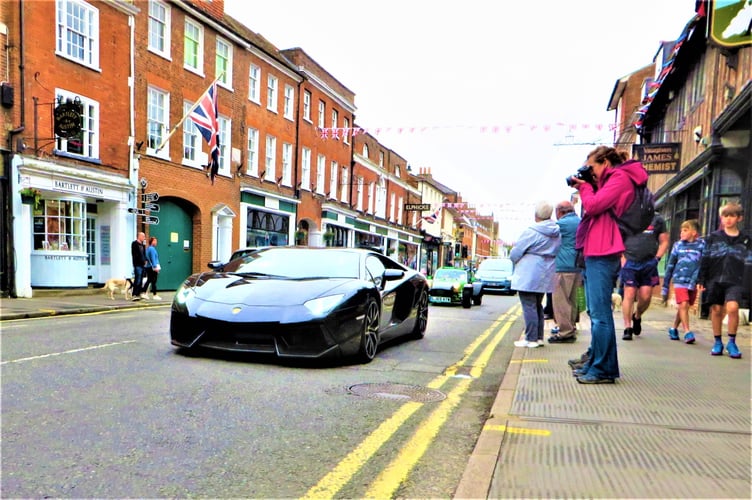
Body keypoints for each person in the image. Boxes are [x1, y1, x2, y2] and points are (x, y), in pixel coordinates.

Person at [569, 146, 649, 384]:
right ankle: (596, 362)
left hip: (604, 250)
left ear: (604, 162)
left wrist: (584, 187)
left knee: (601, 314)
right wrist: (589, 185)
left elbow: (594, 206)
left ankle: (603, 369)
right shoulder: (612, 180)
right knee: (596, 312)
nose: (589, 171)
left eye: (592, 166)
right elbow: (598, 205)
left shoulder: (619, 178)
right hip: (598, 248)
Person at [697, 201, 752, 359]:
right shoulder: (714, 237)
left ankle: (732, 341)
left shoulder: (745, 239)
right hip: (714, 278)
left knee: (733, 307)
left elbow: (749, 261)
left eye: (732, 216)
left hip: (736, 279)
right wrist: (701, 279)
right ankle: (717, 341)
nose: (728, 219)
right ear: (721, 218)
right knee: (716, 310)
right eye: (725, 216)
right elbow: (705, 258)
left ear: (739, 218)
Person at [510, 201, 561, 348]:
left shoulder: (531, 231)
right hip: (547, 270)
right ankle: (538, 337)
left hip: (529, 272)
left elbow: (516, 252)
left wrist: (514, 260)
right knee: (538, 304)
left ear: (536, 215)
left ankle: (530, 338)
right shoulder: (556, 232)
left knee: (529, 305)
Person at [620, 212, 670, 340]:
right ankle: (627, 327)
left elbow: (664, 241)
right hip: (630, 262)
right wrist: (623, 259)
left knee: (646, 296)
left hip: (648, 263)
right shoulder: (626, 217)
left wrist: (657, 259)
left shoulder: (657, 219)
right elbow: (618, 240)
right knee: (629, 293)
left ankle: (637, 316)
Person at [661, 219, 705, 343]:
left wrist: (702, 280)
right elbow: (670, 265)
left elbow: (704, 263)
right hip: (679, 279)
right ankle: (687, 332)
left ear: (694, 232)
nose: (681, 233)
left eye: (685, 230)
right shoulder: (678, 246)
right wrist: (665, 286)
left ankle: (673, 328)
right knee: (684, 304)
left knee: (684, 306)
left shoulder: (701, 245)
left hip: (693, 281)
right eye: (681, 231)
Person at [548, 200, 582, 343]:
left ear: (560, 212)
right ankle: (571, 327)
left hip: (562, 267)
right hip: (578, 266)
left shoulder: (561, 225)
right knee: (573, 301)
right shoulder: (580, 221)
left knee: (561, 301)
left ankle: (565, 332)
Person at [143, 236, 162, 300]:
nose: (156, 242)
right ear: (152, 242)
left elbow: (146, 258)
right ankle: (154, 295)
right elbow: (153, 259)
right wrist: (155, 267)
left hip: (148, 267)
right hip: (152, 267)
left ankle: (144, 293)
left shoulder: (148, 249)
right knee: (153, 281)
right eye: (155, 241)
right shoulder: (152, 249)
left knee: (149, 280)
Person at [130, 232, 147, 301]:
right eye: (143, 236)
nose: (144, 238)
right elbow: (135, 255)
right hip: (137, 264)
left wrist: (145, 260)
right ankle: (134, 294)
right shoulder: (134, 244)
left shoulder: (142, 245)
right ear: (139, 236)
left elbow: (143, 254)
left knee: (141, 280)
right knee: (137, 279)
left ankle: (138, 294)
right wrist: (141, 260)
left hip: (142, 265)